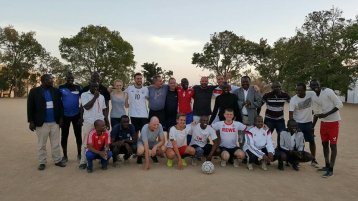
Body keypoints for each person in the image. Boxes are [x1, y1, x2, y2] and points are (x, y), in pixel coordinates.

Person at [27, 74, 66, 170]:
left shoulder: (56, 91)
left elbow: (60, 106)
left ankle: (57, 160)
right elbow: (30, 107)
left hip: (55, 122)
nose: (52, 81)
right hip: (41, 123)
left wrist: (61, 119)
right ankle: (42, 162)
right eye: (50, 80)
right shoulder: (34, 91)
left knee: (55, 143)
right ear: (43, 81)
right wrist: (31, 121)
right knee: (41, 144)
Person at [310, 80, 343, 178]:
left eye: (317, 84)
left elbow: (339, 104)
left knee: (333, 146)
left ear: (320, 85)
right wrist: (312, 126)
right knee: (324, 145)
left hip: (334, 122)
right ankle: (327, 165)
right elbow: (316, 113)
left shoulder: (328, 91)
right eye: (313, 85)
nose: (315, 86)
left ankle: (331, 170)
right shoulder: (314, 97)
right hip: (324, 124)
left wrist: (326, 114)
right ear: (311, 87)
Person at [78, 81, 108, 169]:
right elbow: (86, 107)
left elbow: (104, 109)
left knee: (101, 140)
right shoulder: (84, 95)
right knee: (85, 141)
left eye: (97, 87)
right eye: (93, 86)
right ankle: (83, 161)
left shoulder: (102, 96)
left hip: (100, 121)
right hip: (89, 122)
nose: (95, 88)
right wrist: (95, 97)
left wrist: (106, 120)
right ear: (89, 86)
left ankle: (100, 158)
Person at [289, 83, 319, 168]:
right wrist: (292, 125)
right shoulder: (293, 99)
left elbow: (318, 94)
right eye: (297, 90)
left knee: (312, 141)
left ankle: (313, 159)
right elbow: (291, 113)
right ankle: (298, 159)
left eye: (300, 90)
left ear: (305, 90)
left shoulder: (311, 94)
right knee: (299, 143)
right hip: (298, 123)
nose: (298, 92)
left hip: (308, 123)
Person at [59, 72, 82, 162]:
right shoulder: (61, 88)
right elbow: (58, 102)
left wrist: (81, 117)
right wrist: (60, 118)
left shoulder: (78, 87)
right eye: (68, 78)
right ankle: (65, 156)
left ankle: (79, 154)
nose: (70, 80)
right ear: (66, 79)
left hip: (76, 115)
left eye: (72, 78)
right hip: (65, 116)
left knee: (78, 136)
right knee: (64, 136)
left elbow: (82, 102)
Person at [262, 81, 290, 146]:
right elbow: (260, 105)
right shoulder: (267, 95)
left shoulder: (285, 95)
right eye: (276, 87)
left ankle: (279, 149)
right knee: (266, 136)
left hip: (280, 120)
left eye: (279, 87)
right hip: (269, 120)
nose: (278, 88)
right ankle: (267, 151)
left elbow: (293, 103)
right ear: (272, 88)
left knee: (281, 136)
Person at [125, 73, 149, 138]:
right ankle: (135, 147)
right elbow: (123, 95)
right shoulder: (129, 88)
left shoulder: (145, 89)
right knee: (135, 134)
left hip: (144, 115)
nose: (139, 80)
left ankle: (143, 147)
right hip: (133, 114)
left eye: (140, 78)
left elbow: (149, 99)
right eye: (137, 78)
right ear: (134, 79)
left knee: (144, 134)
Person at [177, 78, 194, 143]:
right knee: (180, 128)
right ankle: (180, 143)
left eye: (186, 82)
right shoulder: (178, 89)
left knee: (189, 129)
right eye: (183, 83)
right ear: (181, 84)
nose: (185, 84)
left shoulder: (191, 90)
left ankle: (189, 143)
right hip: (180, 114)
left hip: (189, 113)